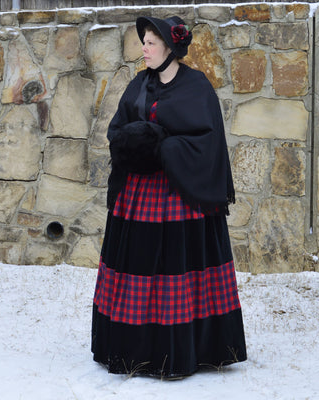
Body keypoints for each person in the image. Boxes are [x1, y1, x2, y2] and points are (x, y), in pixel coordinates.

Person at [91, 15, 247, 379]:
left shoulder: (196, 86)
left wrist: (164, 146)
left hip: (182, 197)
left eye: (150, 42)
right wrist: (136, 141)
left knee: (178, 272)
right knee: (139, 268)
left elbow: (207, 143)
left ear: (170, 47)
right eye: (143, 42)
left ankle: (189, 348)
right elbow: (117, 131)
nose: (143, 49)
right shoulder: (138, 85)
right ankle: (134, 347)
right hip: (140, 197)